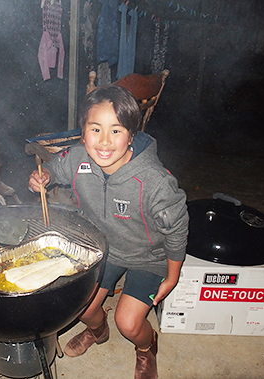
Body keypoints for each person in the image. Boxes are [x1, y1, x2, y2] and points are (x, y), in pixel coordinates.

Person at [29, 85, 189, 379]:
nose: (104, 141)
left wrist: (173, 274)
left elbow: (177, 226)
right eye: (95, 129)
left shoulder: (153, 180)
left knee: (128, 323)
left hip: (147, 255)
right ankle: (97, 331)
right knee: (82, 308)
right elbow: (55, 169)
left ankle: (146, 348)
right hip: (100, 250)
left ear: (131, 135)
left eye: (116, 131)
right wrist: (44, 177)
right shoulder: (78, 159)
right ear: (83, 131)